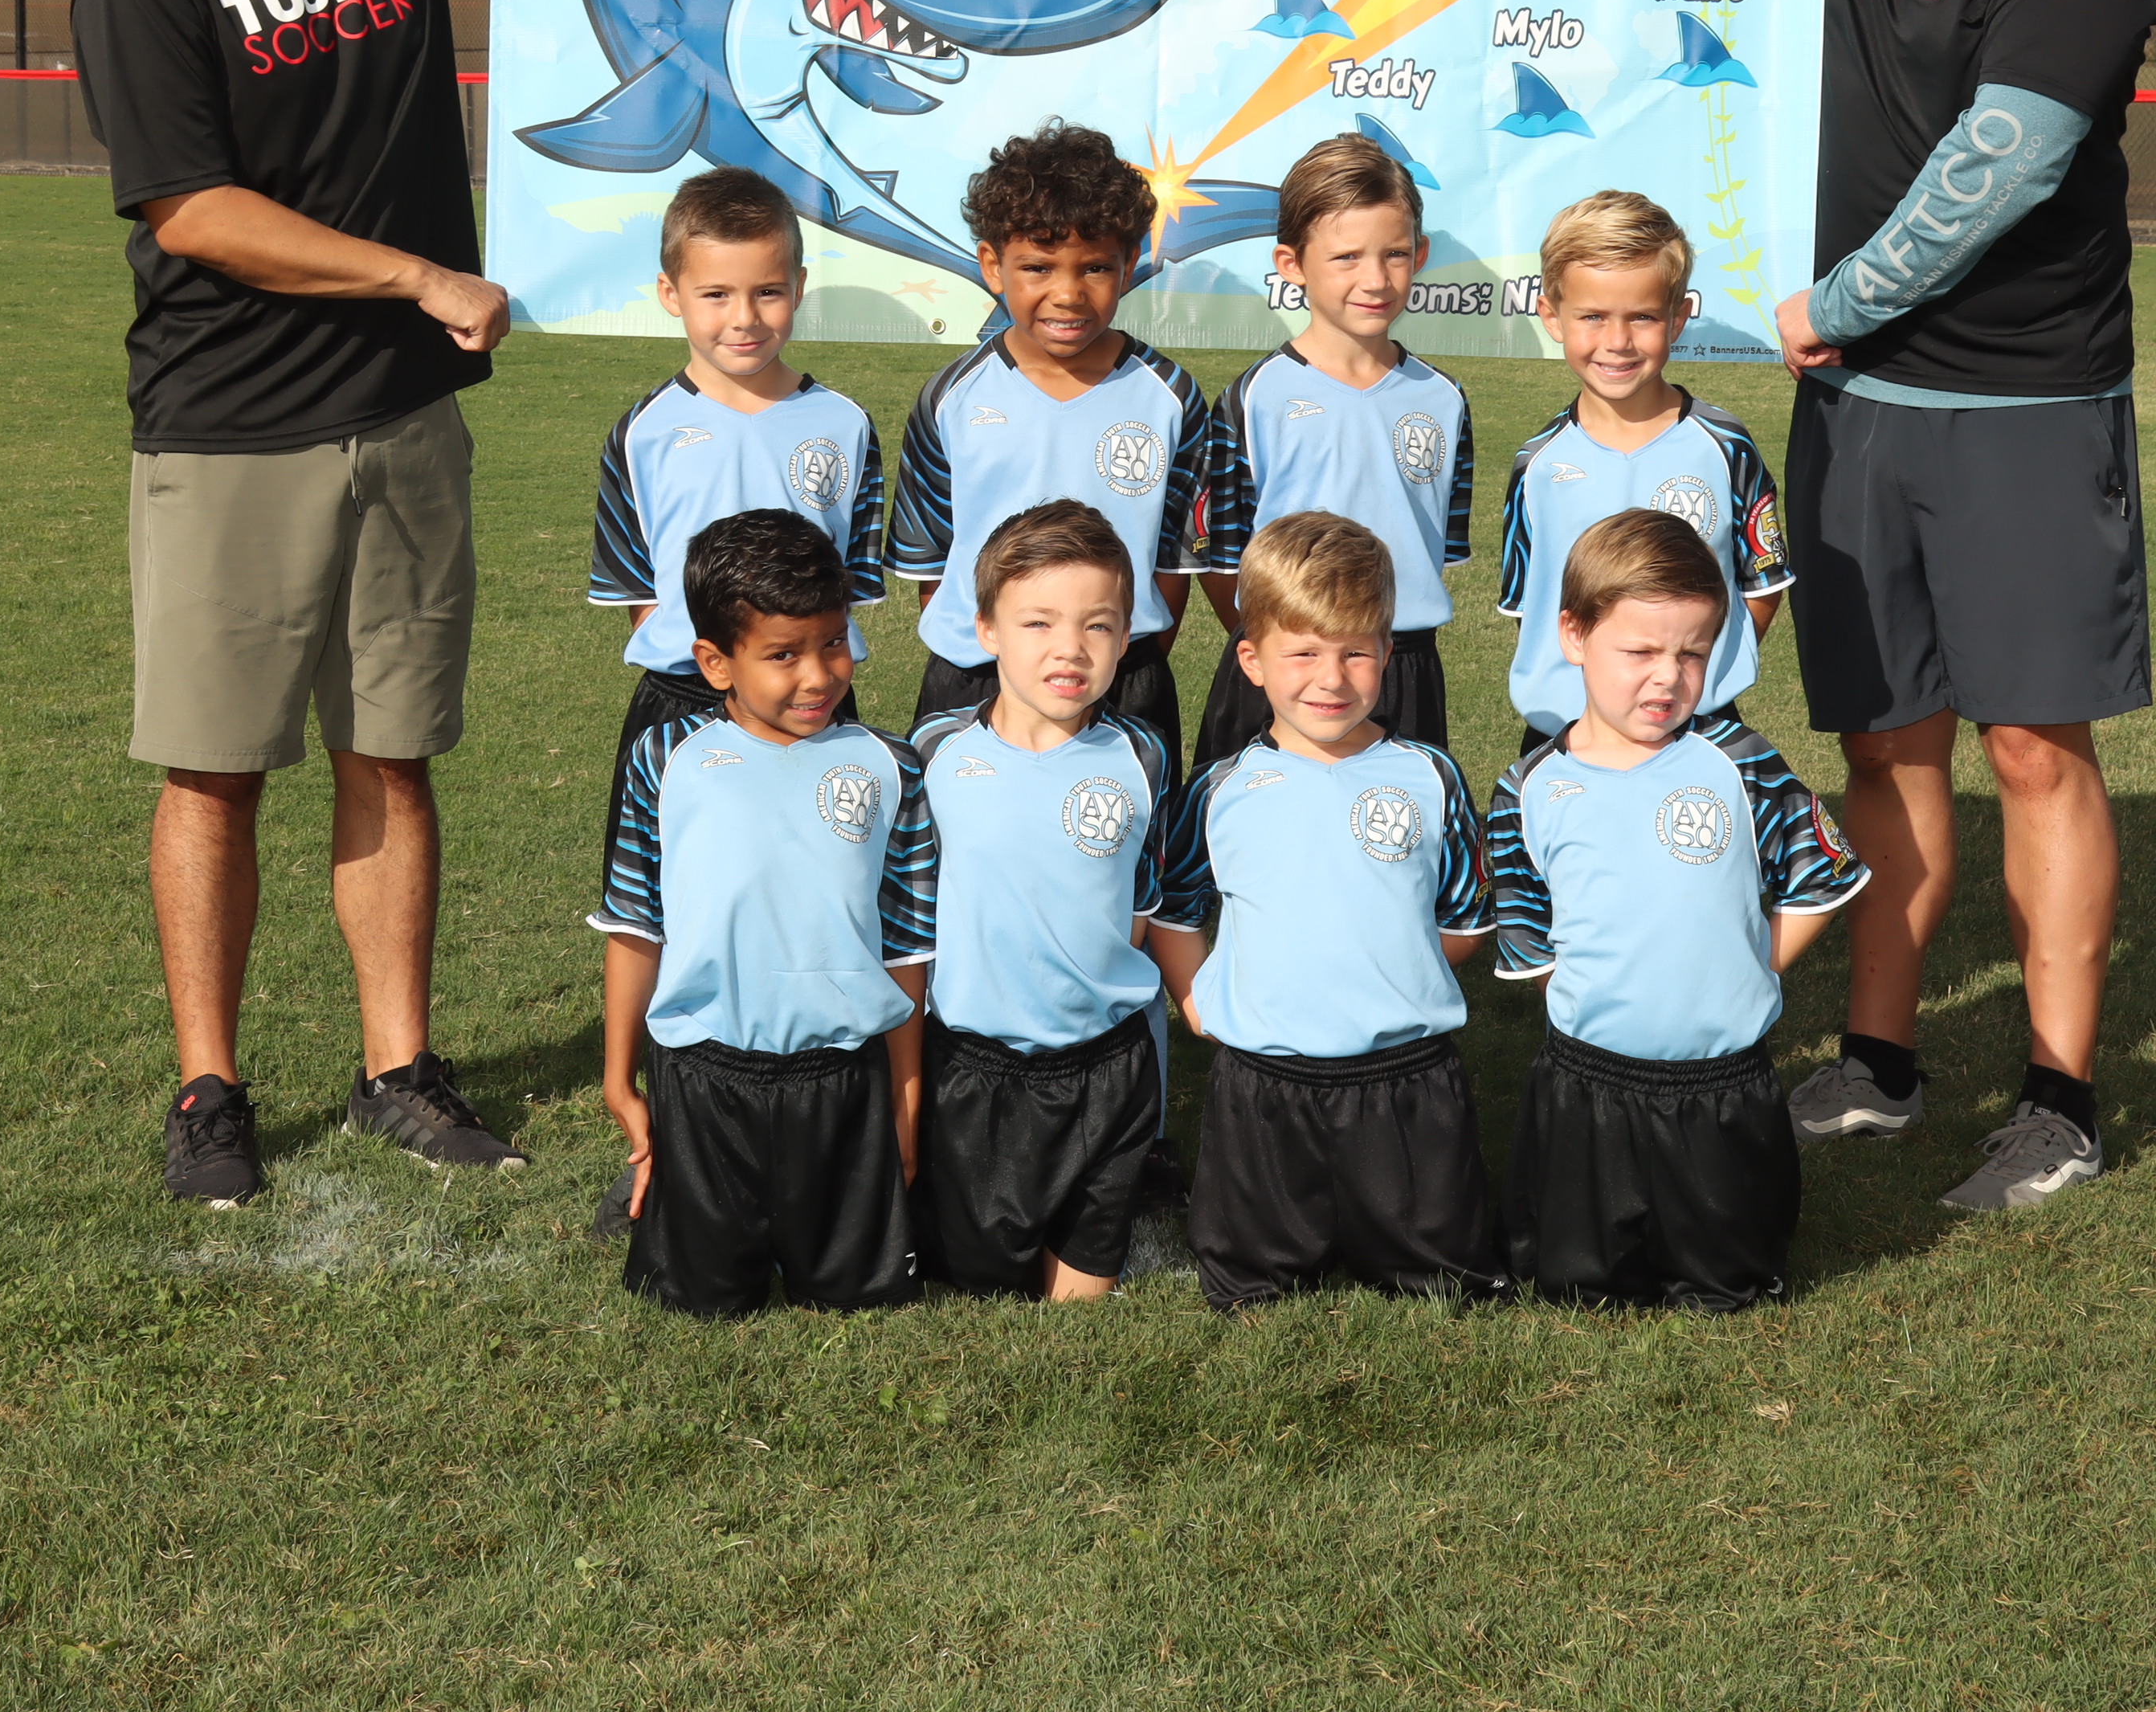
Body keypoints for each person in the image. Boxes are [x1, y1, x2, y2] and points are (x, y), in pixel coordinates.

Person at [71, 0, 521, 1210]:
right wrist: (415, 274)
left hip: (402, 414)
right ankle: (209, 1089)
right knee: (215, 769)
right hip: (230, 420)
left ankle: (400, 1069)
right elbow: (191, 207)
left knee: (392, 755)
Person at [1750, 0, 2156, 1217]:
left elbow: (2009, 157)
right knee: (1884, 746)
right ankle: (1880, 1063)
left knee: (2036, 752)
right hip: (1860, 399)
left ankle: (2059, 1100)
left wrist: (1841, 301)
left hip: (2021, 397)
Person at [1486, 509, 1862, 1310]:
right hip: (1586, 1081)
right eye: (1641, 652)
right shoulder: (1527, 788)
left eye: (1692, 653)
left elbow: (1820, 876)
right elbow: (1531, 937)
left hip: (1721, 1081)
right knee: (1577, 1282)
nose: (1668, 677)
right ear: (1574, 634)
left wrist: (1754, 962)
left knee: (1728, 1281)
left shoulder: (1741, 763)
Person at [593, 510, 935, 1315]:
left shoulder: (890, 766)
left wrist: (906, 1098)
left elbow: (908, 946)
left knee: (860, 1299)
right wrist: (618, 1076)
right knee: (699, 1301)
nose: (818, 675)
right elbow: (636, 923)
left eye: (833, 642)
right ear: (716, 662)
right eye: (783, 654)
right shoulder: (665, 758)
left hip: (844, 1076)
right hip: (704, 1076)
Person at [1176, 513, 1501, 1310]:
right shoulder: (1220, 788)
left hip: (1404, 1078)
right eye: (1304, 653)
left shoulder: (1428, 776)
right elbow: (1176, 910)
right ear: (1252, 660)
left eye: (1356, 651)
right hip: (1264, 1082)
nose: (1332, 678)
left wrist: (1390, 969)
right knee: (1249, 1283)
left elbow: (1465, 917)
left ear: (1387, 653)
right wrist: (1193, 1000)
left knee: (1444, 1282)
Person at [907, 500, 1212, 1300]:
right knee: (979, 1292)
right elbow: (904, 920)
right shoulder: (934, 754)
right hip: (972, 1070)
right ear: (986, 628)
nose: (1070, 648)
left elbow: (1147, 898)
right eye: (1038, 622)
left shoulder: (1143, 755)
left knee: (1078, 1306)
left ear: (1127, 633)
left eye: (1098, 625)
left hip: (1107, 1068)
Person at [886, 121, 1235, 747]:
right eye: (1038, 267)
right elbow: (936, 564)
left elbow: (1172, 563)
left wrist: (1124, 658)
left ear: (1129, 266)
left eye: (1095, 267)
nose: (1068, 294)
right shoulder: (952, 397)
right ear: (993, 265)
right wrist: (993, 649)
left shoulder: (1171, 397)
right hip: (975, 678)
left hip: (1120, 680)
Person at [588, 168, 884, 870]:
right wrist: (721, 671)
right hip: (684, 701)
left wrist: (793, 670)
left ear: (799, 288)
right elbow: (640, 594)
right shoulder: (643, 433)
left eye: (767, 292)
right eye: (716, 294)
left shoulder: (844, 424)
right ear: (671, 294)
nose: (744, 317)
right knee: (676, 893)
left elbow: (853, 582)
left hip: (813, 695)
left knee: (823, 885)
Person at [1189, 133, 1474, 766]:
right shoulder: (1252, 399)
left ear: (1421, 253)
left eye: (1395, 254)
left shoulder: (1444, 399)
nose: (1375, 279)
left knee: (1403, 823)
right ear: (1291, 264)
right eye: (1346, 257)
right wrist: (1286, 641)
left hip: (1403, 665)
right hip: (1285, 666)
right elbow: (1222, 558)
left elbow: (1439, 548)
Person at [1498, 192, 1791, 762]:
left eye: (1643, 317)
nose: (1617, 341)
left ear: (1678, 317)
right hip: (1570, 733)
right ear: (1552, 317)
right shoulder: (1538, 466)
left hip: (1698, 726)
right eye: (1593, 317)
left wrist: (1692, 670)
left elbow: (1762, 585)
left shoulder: (1725, 447)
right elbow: (1529, 611)